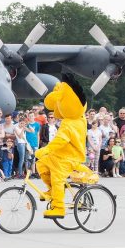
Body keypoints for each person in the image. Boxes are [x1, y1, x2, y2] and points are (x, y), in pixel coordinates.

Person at [35, 74, 96, 219]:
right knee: (42, 165)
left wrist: (45, 149)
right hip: (62, 155)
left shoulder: (70, 123)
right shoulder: (77, 118)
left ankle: (59, 207)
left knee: (57, 177)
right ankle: (52, 190)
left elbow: (60, 140)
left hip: (68, 157)